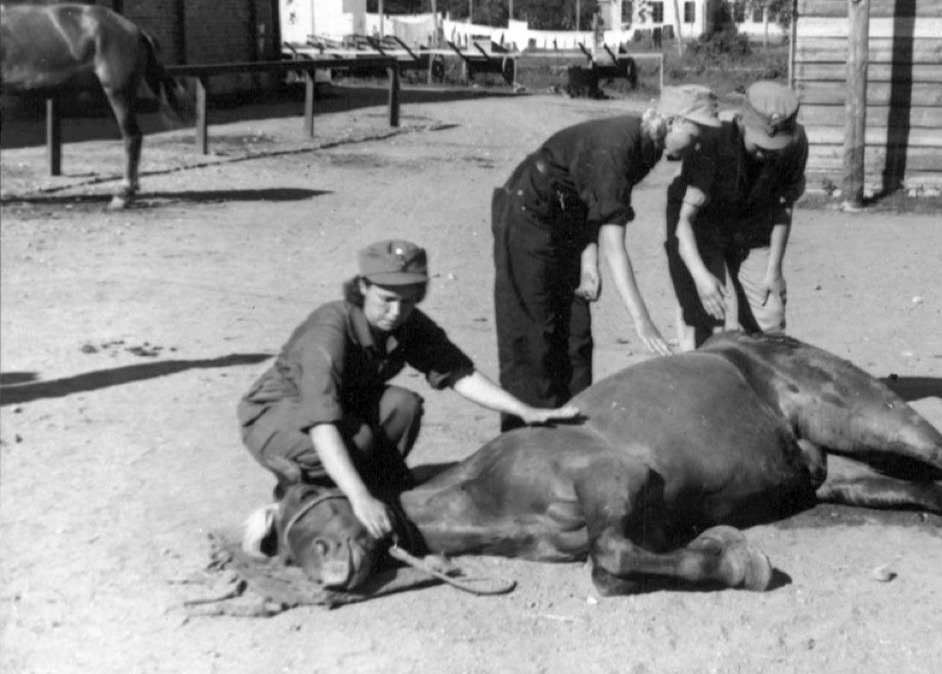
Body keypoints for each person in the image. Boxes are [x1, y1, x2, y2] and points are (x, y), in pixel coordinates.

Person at [236, 239, 581, 540]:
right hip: (276, 418)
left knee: (403, 405)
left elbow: (459, 373)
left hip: (340, 411)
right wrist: (359, 498)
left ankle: (377, 493)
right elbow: (322, 423)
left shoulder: (407, 322)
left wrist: (524, 410)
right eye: (386, 299)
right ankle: (306, 501)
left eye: (408, 301)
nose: (396, 311)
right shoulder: (329, 329)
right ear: (362, 286)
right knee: (360, 441)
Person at [492, 85, 721, 431]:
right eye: (695, 133)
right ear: (673, 122)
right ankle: (522, 446)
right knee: (531, 338)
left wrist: (588, 262)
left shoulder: (649, 146)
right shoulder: (619, 147)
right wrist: (641, 319)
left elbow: (592, 203)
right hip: (529, 213)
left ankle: (571, 437)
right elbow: (616, 244)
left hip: (566, 221)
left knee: (575, 339)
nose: (698, 145)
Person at [666, 80, 809, 350]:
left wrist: (774, 269)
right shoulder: (712, 140)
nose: (768, 154)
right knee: (705, 320)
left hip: (753, 227)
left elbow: (784, 205)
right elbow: (684, 221)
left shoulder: (795, 143)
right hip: (702, 226)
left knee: (771, 319)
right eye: (761, 144)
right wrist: (701, 277)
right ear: (743, 122)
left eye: (775, 146)